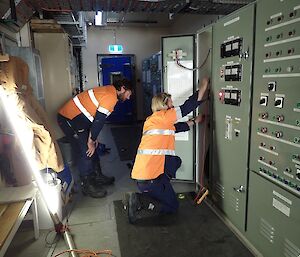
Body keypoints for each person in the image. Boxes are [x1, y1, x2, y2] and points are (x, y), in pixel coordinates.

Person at [126, 77, 209, 223]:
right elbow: (187, 107)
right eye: (171, 102)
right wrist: (204, 86)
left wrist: (196, 121)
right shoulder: (163, 116)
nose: (173, 105)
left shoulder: (155, 121)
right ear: (164, 105)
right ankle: (140, 200)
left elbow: (178, 127)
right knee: (172, 206)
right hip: (150, 178)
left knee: (175, 162)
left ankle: (149, 195)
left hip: (145, 175)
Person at [57, 78, 133, 198]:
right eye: (129, 94)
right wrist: (91, 140)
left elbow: (95, 117)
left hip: (80, 120)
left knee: (93, 147)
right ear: (123, 88)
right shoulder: (110, 96)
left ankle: (97, 175)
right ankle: (86, 185)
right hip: (70, 119)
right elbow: (99, 120)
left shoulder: (109, 92)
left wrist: (93, 137)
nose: (128, 97)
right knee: (86, 151)